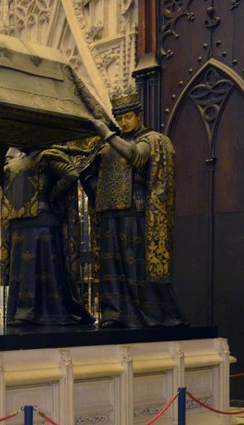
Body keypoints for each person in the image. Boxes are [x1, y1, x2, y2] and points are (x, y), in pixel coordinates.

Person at [80, 90, 187, 328]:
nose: (123, 123)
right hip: (109, 211)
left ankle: (149, 316)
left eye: (128, 117)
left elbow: (137, 157)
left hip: (135, 208)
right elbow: (86, 171)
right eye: (119, 119)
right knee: (112, 266)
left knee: (134, 264)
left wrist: (107, 134)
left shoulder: (152, 139)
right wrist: (97, 188)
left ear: (139, 115)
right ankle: (115, 314)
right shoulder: (108, 146)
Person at [0, 145, 95, 326]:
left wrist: (52, 195)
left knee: (44, 267)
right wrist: (0, 152)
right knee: (23, 271)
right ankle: (23, 313)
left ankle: (48, 313)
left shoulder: (48, 155)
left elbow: (71, 175)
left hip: (43, 220)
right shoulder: (12, 163)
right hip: (19, 222)